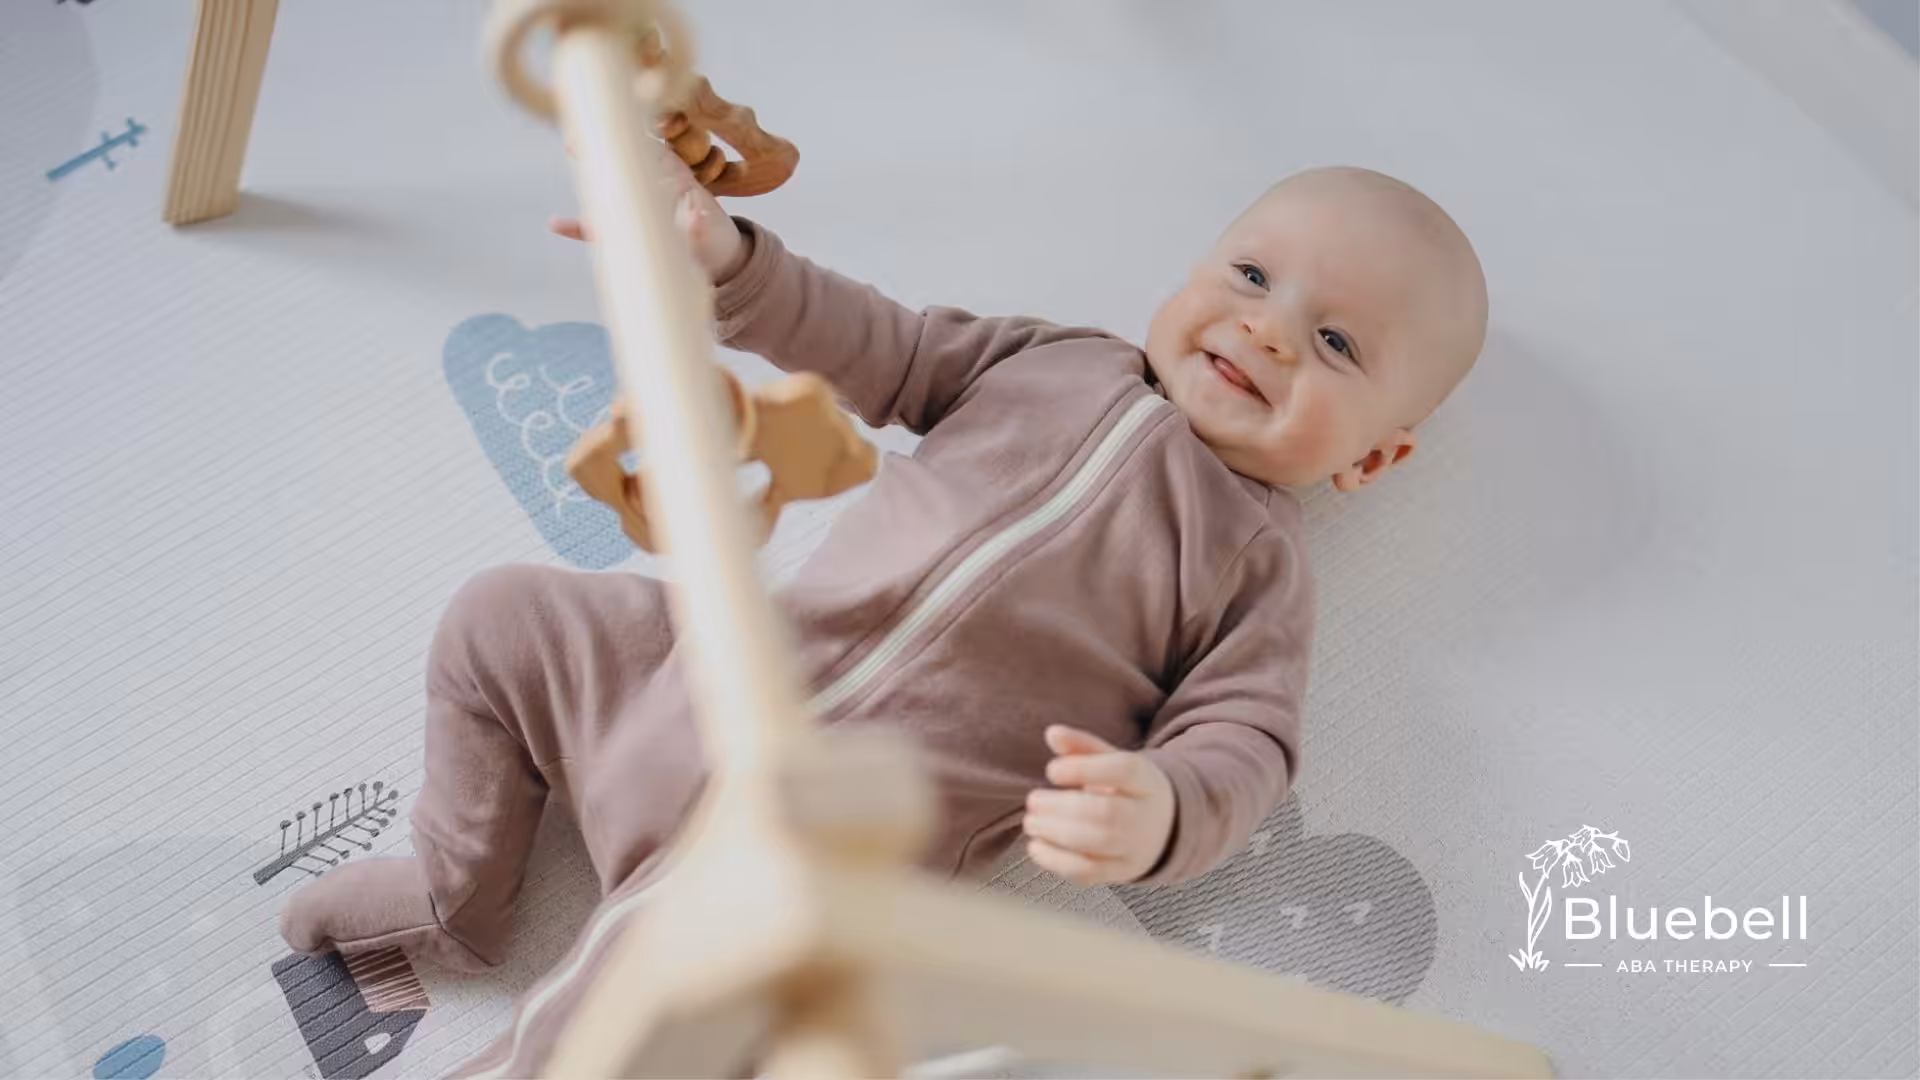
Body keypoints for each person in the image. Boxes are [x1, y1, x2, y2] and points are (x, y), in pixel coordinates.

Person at [282, 154, 1487, 1077]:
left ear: (1372, 461)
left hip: (821, 835)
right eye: (1251, 275)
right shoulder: (1058, 359)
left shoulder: (1254, 567)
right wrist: (730, 263)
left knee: (624, 997)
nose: (1267, 329)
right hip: (692, 684)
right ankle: (457, 892)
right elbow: (886, 349)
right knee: (502, 619)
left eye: (1333, 341)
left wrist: (1165, 809)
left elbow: (1249, 744)